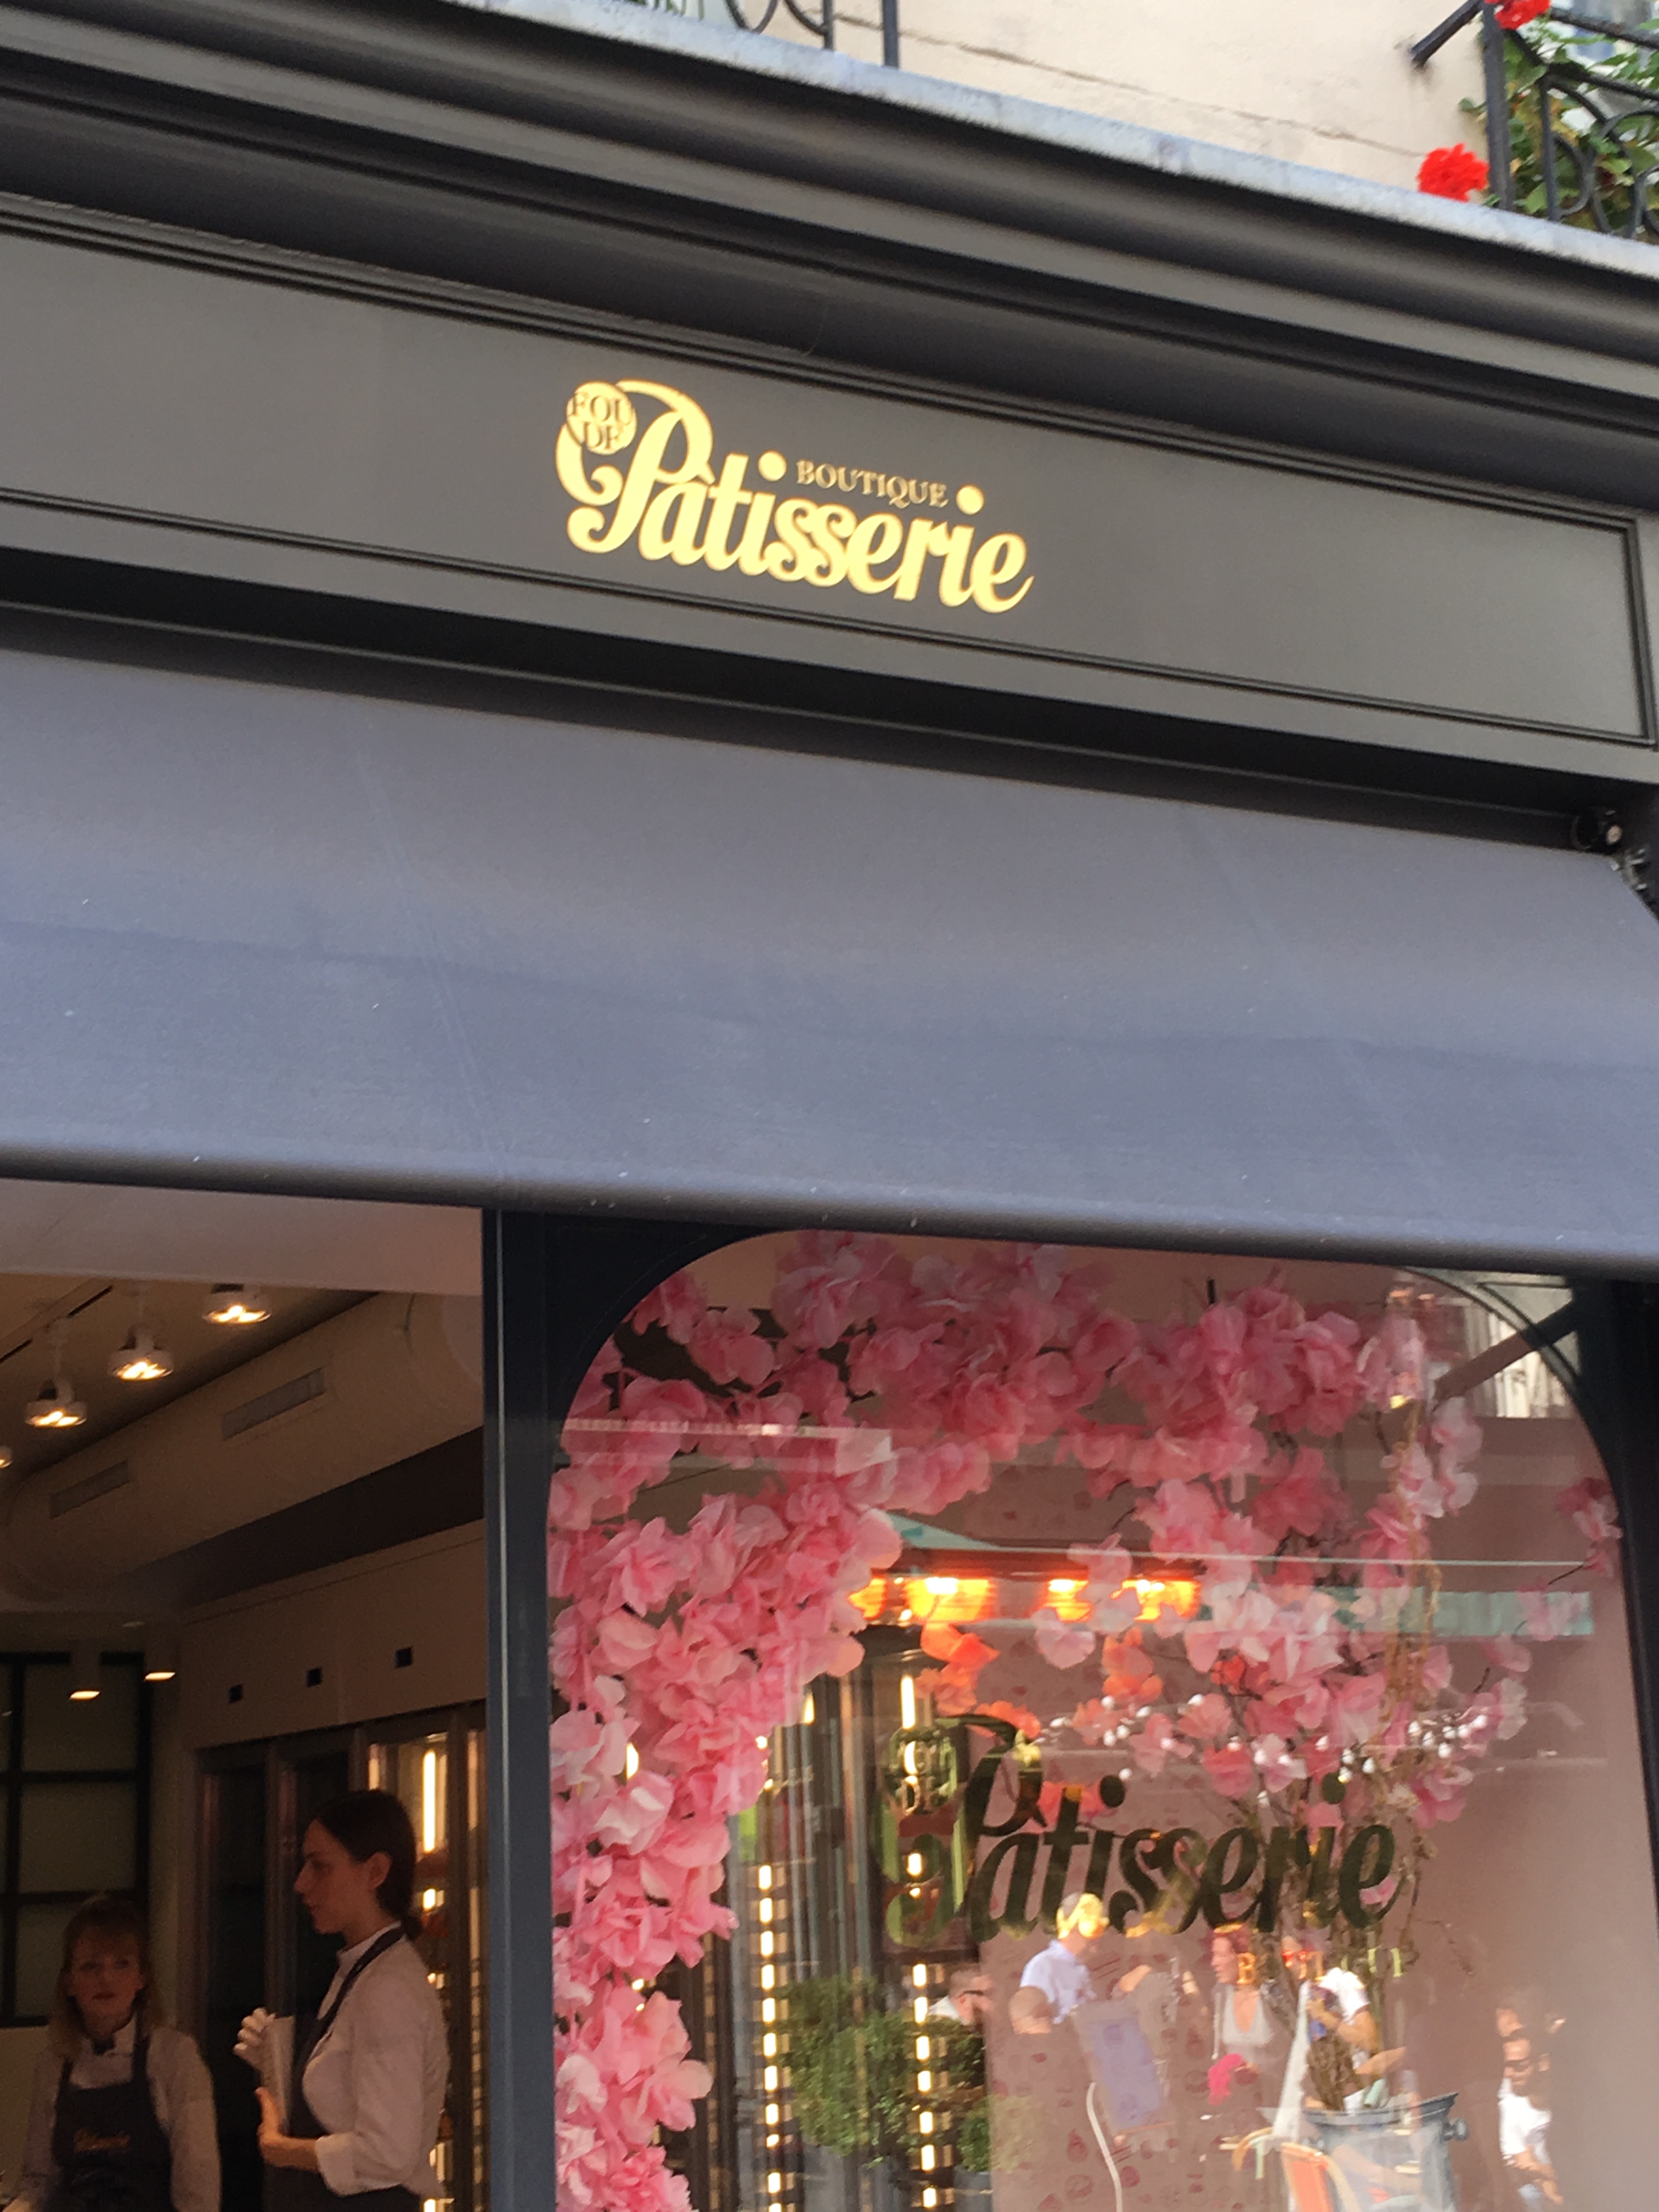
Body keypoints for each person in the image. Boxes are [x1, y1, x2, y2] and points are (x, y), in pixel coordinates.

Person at [237, 1791, 448, 2212]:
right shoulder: (360, 1972)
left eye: (320, 1866)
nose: (301, 1883)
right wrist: (278, 2061)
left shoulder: (388, 1988)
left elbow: (387, 2153)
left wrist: (281, 2149)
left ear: (375, 1871)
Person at [18, 1893, 219, 2212]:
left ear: (142, 1978)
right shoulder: (53, 2063)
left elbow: (198, 2186)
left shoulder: (175, 2057)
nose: (106, 1978)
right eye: (91, 1966)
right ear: (69, 1983)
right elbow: (39, 2182)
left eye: (121, 1964)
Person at [1012, 1892, 1107, 2032]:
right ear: (1070, 1929)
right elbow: (1033, 2027)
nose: (1096, 1944)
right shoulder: (1042, 1967)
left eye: (1101, 1932)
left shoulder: (1083, 1968)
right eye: (1092, 1931)